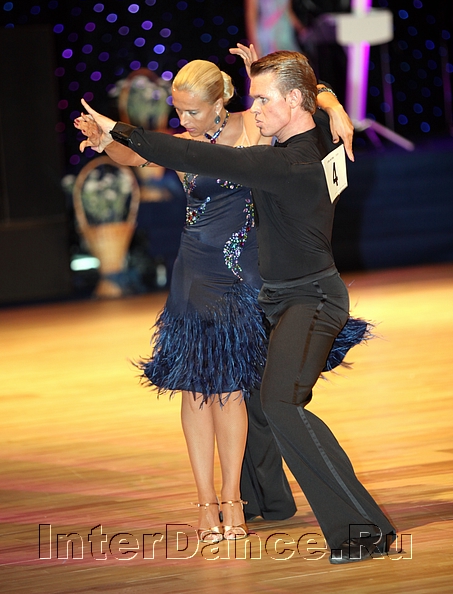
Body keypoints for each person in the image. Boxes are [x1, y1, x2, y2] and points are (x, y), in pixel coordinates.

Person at [75, 48, 396, 564]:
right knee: (263, 400)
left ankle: (362, 529)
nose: (257, 107)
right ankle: (280, 504)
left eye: (264, 99)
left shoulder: (283, 161)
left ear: (292, 102)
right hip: (274, 295)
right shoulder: (304, 134)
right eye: (254, 98)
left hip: (309, 298)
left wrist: (121, 129)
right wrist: (331, 103)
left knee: (278, 403)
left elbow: (205, 157)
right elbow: (305, 91)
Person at [292, 0, 358, 103]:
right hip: (318, 45)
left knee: (348, 80)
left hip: (345, 40)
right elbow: (299, 10)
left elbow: (354, 7)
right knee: (323, 80)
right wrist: (304, 32)